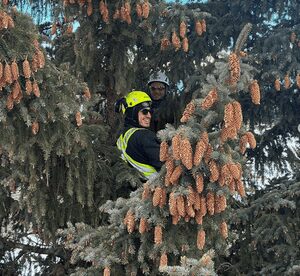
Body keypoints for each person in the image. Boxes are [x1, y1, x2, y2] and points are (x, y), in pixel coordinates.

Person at [115, 91, 162, 180]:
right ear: (131, 113)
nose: (149, 116)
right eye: (144, 111)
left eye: (150, 112)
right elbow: (165, 165)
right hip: (158, 189)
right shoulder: (144, 136)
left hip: (138, 190)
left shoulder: (122, 138)